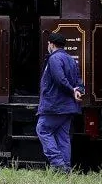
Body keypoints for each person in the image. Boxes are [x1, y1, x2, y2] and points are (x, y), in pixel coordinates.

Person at [36, 32, 85, 173]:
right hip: (69, 107)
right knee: (62, 137)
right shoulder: (71, 59)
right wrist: (78, 91)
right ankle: (66, 168)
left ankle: (58, 164)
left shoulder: (54, 59)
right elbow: (78, 81)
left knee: (42, 130)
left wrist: (71, 90)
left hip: (54, 105)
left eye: (48, 44)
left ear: (51, 44)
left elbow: (59, 79)